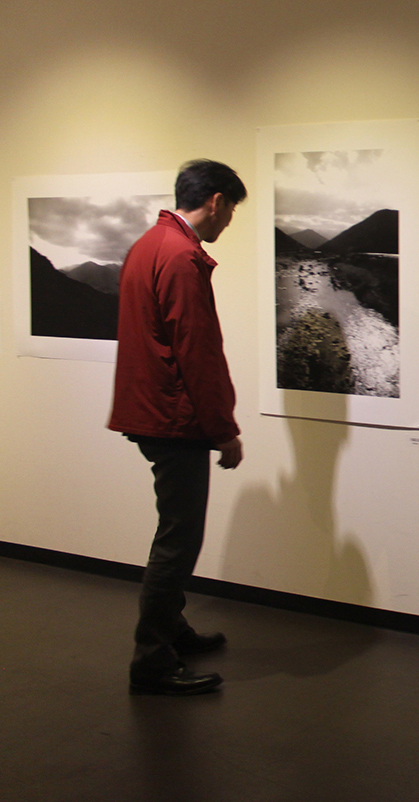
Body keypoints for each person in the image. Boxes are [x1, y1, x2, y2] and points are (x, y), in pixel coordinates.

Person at [108, 159, 247, 696]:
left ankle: (173, 629)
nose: (229, 221)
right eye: (232, 209)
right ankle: (152, 658)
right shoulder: (183, 256)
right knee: (178, 537)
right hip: (174, 417)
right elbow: (198, 352)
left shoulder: (149, 244)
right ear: (215, 201)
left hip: (150, 410)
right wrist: (223, 430)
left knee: (175, 529)